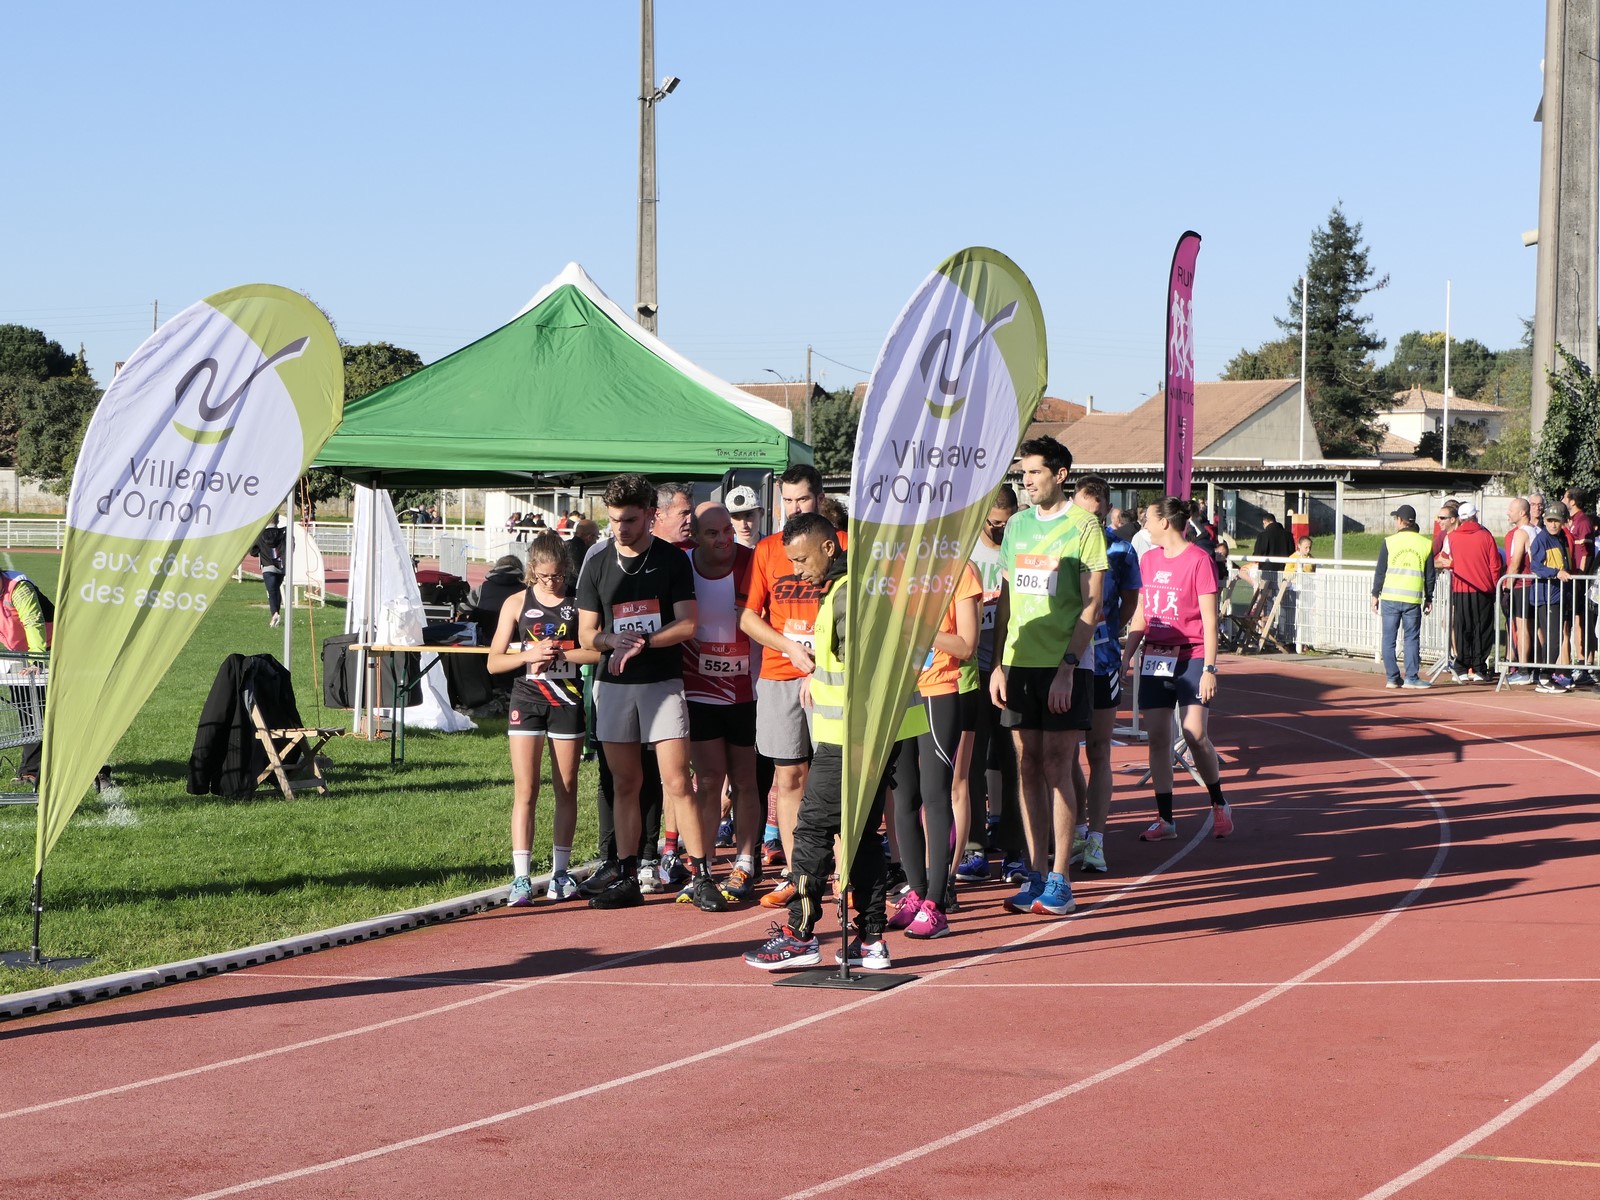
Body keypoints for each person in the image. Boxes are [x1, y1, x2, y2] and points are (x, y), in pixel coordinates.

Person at [742, 513, 927, 970]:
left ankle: (801, 935)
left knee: (811, 830)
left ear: (829, 548)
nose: (797, 571)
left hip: (852, 736)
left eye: (802, 560)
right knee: (860, 834)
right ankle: (871, 940)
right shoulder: (855, 587)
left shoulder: (849, 595)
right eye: (791, 562)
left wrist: (830, 683)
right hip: (875, 732)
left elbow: (865, 667)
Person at [576, 473, 714, 910]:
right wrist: (610, 640)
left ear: (651, 515)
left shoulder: (672, 560)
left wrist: (644, 642)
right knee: (625, 783)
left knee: (678, 781)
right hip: (614, 685)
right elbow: (585, 634)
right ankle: (627, 875)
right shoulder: (597, 562)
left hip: (662, 683)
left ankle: (701, 875)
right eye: (614, 519)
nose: (620, 528)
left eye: (630, 520)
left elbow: (688, 624)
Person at [988, 436, 1106, 918]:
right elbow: (1008, 597)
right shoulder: (1017, 525)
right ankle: (1035, 872)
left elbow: (1092, 604)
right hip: (1019, 664)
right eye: (1023, 473)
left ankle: (1061, 879)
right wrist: (999, 663)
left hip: (1063, 666)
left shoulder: (1084, 526)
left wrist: (1067, 668)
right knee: (1028, 766)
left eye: (1034, 472)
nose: (1027, 481)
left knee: (1059, 766)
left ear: (1060, 475)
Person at [739, 463, 844, 907]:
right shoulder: (767, 549)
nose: (794, 508)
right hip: (780, 675)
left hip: (832, 677)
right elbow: (748, 618)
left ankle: (841, 871)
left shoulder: (841, 544)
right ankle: (796, 870)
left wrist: (819, 664)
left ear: (819, 499)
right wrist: (789, 647)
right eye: (786, 500)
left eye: (801, 499)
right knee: (789, 777)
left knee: (834, 777)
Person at [486, 534, 600, 905]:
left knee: (566, 788)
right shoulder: (516, 602)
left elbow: (596, 652)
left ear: (567, 569)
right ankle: (521, 878)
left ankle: (560, 873)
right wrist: (528, 655)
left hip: (566, 700)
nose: (552, 582)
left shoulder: (579, 602)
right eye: (545, 576)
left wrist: (562, 654)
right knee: (526, 789)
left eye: (559, 575)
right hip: (528, 699)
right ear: (532, 570)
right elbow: (493, 662)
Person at [1120, 497, 1232, 840]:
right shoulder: (1148, 559)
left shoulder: (1199, 560)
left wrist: (1210, 668)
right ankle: (1166, 819)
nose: (1144, 526)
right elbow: (1142, 613)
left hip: (1192, 655)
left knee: (1194, 733)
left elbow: (1210, 621)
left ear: (1165, 523)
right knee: (1157, 738)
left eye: (1148, 520)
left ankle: (1218, 802)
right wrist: (1127, 655)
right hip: (1156, 656)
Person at [890, 557, 981, 939]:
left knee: (934, 793)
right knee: (904, 796)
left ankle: (937, 903)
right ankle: (916, 892)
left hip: (938, 691)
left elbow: (967, 645)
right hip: (898, 690)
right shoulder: (892, 566)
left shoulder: (959, 569)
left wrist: (918, 629)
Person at [680, 501, 762, 904]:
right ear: (696, 536)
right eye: (713, 533)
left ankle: (745, 860)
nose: (724, 539)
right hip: (699, 688)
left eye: (727, 530)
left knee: (745, 779)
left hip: (746, 687)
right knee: (709, 779)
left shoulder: (750, 562)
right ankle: (705, 866)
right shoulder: (682, 564)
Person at [956, 485, 1026, 887]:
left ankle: (1015, 849)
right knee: (972, 763)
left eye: (1007, 522)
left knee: (1015, 759)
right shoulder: (966, 551)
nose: (1000, 530)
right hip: (971, 669)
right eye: (994, 524)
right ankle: (975, 847)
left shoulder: (1020, 547)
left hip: (1013, 666)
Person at [1069, 486, 1139, 876]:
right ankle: (1077, 829)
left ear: (1108, 511)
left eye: (1096, 516)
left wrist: (1108, 631)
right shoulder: (1061, 543)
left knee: (1098, 750)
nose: (1089, 522)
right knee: (1064, 752)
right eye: (1083, 513)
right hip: (1062, 661)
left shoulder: (1121, 551)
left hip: (1103, 663)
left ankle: (1095, 838)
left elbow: (1129, 603)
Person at [1370, 505, 1436, 690]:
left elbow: (1380, 571)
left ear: (1400, 520)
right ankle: (1411, 677)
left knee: (1388, 639)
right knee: (1411, 638)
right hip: (1412, 599)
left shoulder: (1389, 541)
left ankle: (1392, 677)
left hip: (1390, 597)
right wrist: (1429, 597)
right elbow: (1430, 575)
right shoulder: (1425, 543)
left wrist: (1375, 594)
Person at [1435, 500, 1500, 682]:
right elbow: (1494, 565)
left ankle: (1461, 667)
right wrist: (1496, 586)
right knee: (1482, 629)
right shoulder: (1486, 536)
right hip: (1483, 589)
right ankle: (1478, 668)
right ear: (1475, 516)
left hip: (1461, 588)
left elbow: (1444, 559)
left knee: (1462, 628)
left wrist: (1453, 564)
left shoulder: (1452, 537)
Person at [0, 569, 49, 783]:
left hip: (49, 648)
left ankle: (94, 769)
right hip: (19, 653)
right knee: (27, 710)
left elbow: (33, 621)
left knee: (58, 713)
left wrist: (36, 660)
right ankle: (30, 770)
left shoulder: (19, 588)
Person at [1562, 486, 1594, 685]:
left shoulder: (1583, 522)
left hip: (1579, 580)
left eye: (1565, 497)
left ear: (1572, 501)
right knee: (1572, 621)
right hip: (1571, 578)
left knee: (1581, 621)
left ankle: (1584, 664)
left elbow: (1586, 553)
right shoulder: (1571, 521)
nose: (1562, 500)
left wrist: (1580, 577)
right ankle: (1576, 664)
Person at [1502, 498, 1536, 685]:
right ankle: (1535, 668)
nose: (1508, 513)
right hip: (1533, 584)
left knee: (1522, 628)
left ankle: (1523, 669)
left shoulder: (1521, 533)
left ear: (1522, 513)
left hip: (1523, 584)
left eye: (1511, 510)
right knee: (1534, 628)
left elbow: (1515, 562)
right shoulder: (1536, 530)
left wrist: (1507, 586)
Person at [255, 514, 287, 628]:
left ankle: (275, 614)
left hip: (268, 566)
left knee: (272, 591)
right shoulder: (284, 533)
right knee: (276, 590)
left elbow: (253, 551)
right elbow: (291, 546)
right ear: (277, 521)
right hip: (281, 566)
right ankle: (276, 614)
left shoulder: (260, 534)